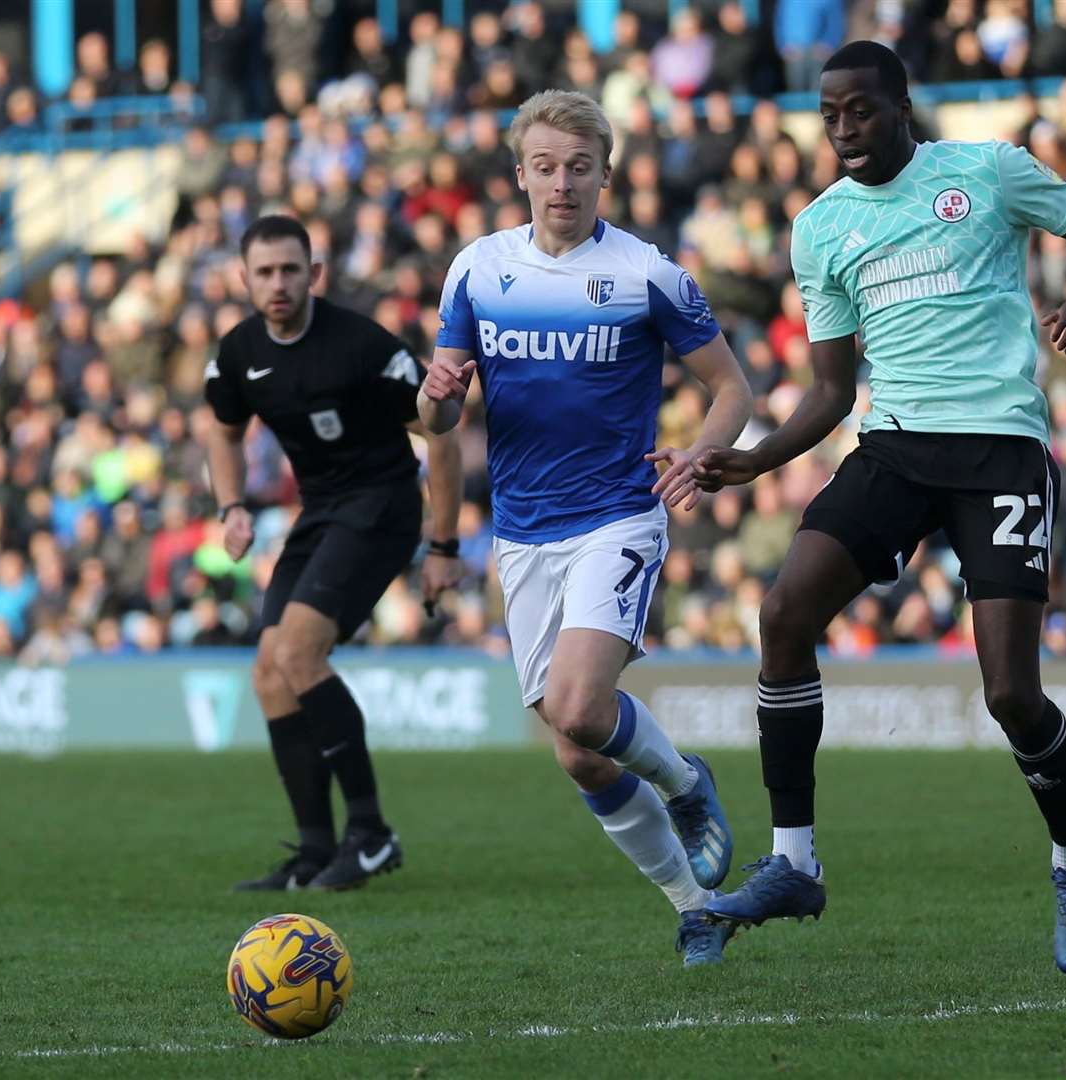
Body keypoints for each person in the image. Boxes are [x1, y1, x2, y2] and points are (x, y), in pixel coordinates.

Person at [688, 42, 1066, 975]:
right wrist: (751, 460)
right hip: (894, 447)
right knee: (782, 614)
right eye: (830, 115)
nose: (844, 129)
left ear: (902, 106)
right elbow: (827, 391)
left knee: (1010, 693)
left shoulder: (987, 172)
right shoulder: (821, 229)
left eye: (860, 110)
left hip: (1000, 447)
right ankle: (794, 862)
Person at [418, 90, 754, 967]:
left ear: (606, 174)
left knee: (577, 705)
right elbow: (437, 416)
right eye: (544, 166)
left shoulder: (648, 273)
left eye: (578, 167)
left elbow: (733, 389)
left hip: (616, 518)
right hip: (523, 535)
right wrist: (435, 399)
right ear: (520, 174)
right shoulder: (479, 270)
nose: (561, 183)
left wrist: (700, 454)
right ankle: (697, 905)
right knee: (577, 753)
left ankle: (687, 782)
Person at [203, 214, 464, 891]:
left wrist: (442, 544)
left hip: (381, 508)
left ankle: (372, 833)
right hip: (319, 514)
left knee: (295, 653)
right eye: (265, 272)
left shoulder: (362, 347)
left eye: (292, 269)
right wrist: (231, 507)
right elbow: (222, 431)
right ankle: (315, 848)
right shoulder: (238, 353)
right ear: (244, 279)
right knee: (268, 671)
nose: (279, 283)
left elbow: (437, 435)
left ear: (315, 273)